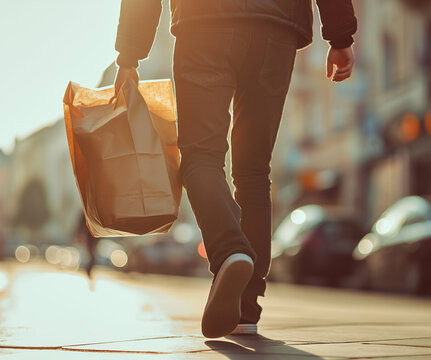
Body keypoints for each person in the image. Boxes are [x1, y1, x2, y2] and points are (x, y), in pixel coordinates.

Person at [114, 0, 357, 338]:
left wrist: (129, 54)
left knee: (200, 156)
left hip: (204, 24)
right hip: (278, 27)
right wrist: (340, 35)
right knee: (255, 173)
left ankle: (230, 250)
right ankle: (247, 308)